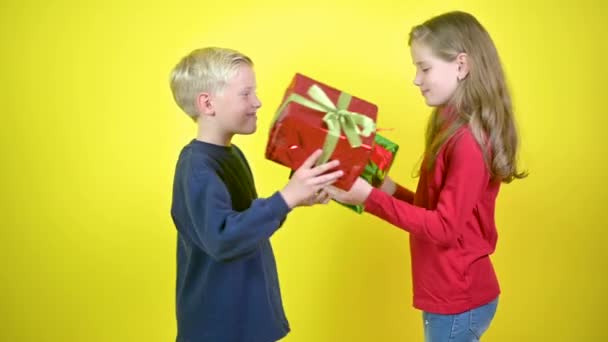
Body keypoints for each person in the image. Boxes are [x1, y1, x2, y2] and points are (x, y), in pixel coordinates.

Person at [327, 11, 527, 342]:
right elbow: (434, 211)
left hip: (458, 298)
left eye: (425, 67)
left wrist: (369, 198)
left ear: (461, 66)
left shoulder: (467, 141)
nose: (416, 79)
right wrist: (386, 188)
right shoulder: (449, 125)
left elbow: (444, 228)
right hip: (452, 293)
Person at [169, 47, 343, 342]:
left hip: (246, 321)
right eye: (245, 94)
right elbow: (223, 239)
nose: (257, 102)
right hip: (218, 328)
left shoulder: (232, 154)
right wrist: (286, 198)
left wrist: (295, 200)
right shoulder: (196, 167)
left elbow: (250, 228)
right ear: (207, 103)